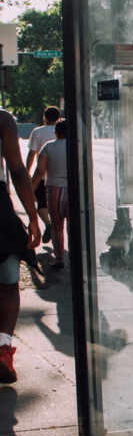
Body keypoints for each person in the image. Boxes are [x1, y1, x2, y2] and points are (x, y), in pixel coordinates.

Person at [0, 110, 41, 383]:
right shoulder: (3, 120)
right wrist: (33, 218)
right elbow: (16, 168)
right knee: (8, 282)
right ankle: (3, 348)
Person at [32, 118, 68, 270]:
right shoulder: (76, 146)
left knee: (57, 226)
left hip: (54, 190)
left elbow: (40, 171)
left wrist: (31, 189)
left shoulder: (48, 147)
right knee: (75, 227)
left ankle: (59, 258)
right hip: (74, 190)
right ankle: (78, 257)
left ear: (56, 133)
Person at [26, 104, 60, 244]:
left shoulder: (37, 132)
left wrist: (27, 171)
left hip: (41, 175)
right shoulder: (62, 130)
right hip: (58, 174)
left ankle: (48, 223)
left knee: (41, 203)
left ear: (44, 117)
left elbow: (32, 153)